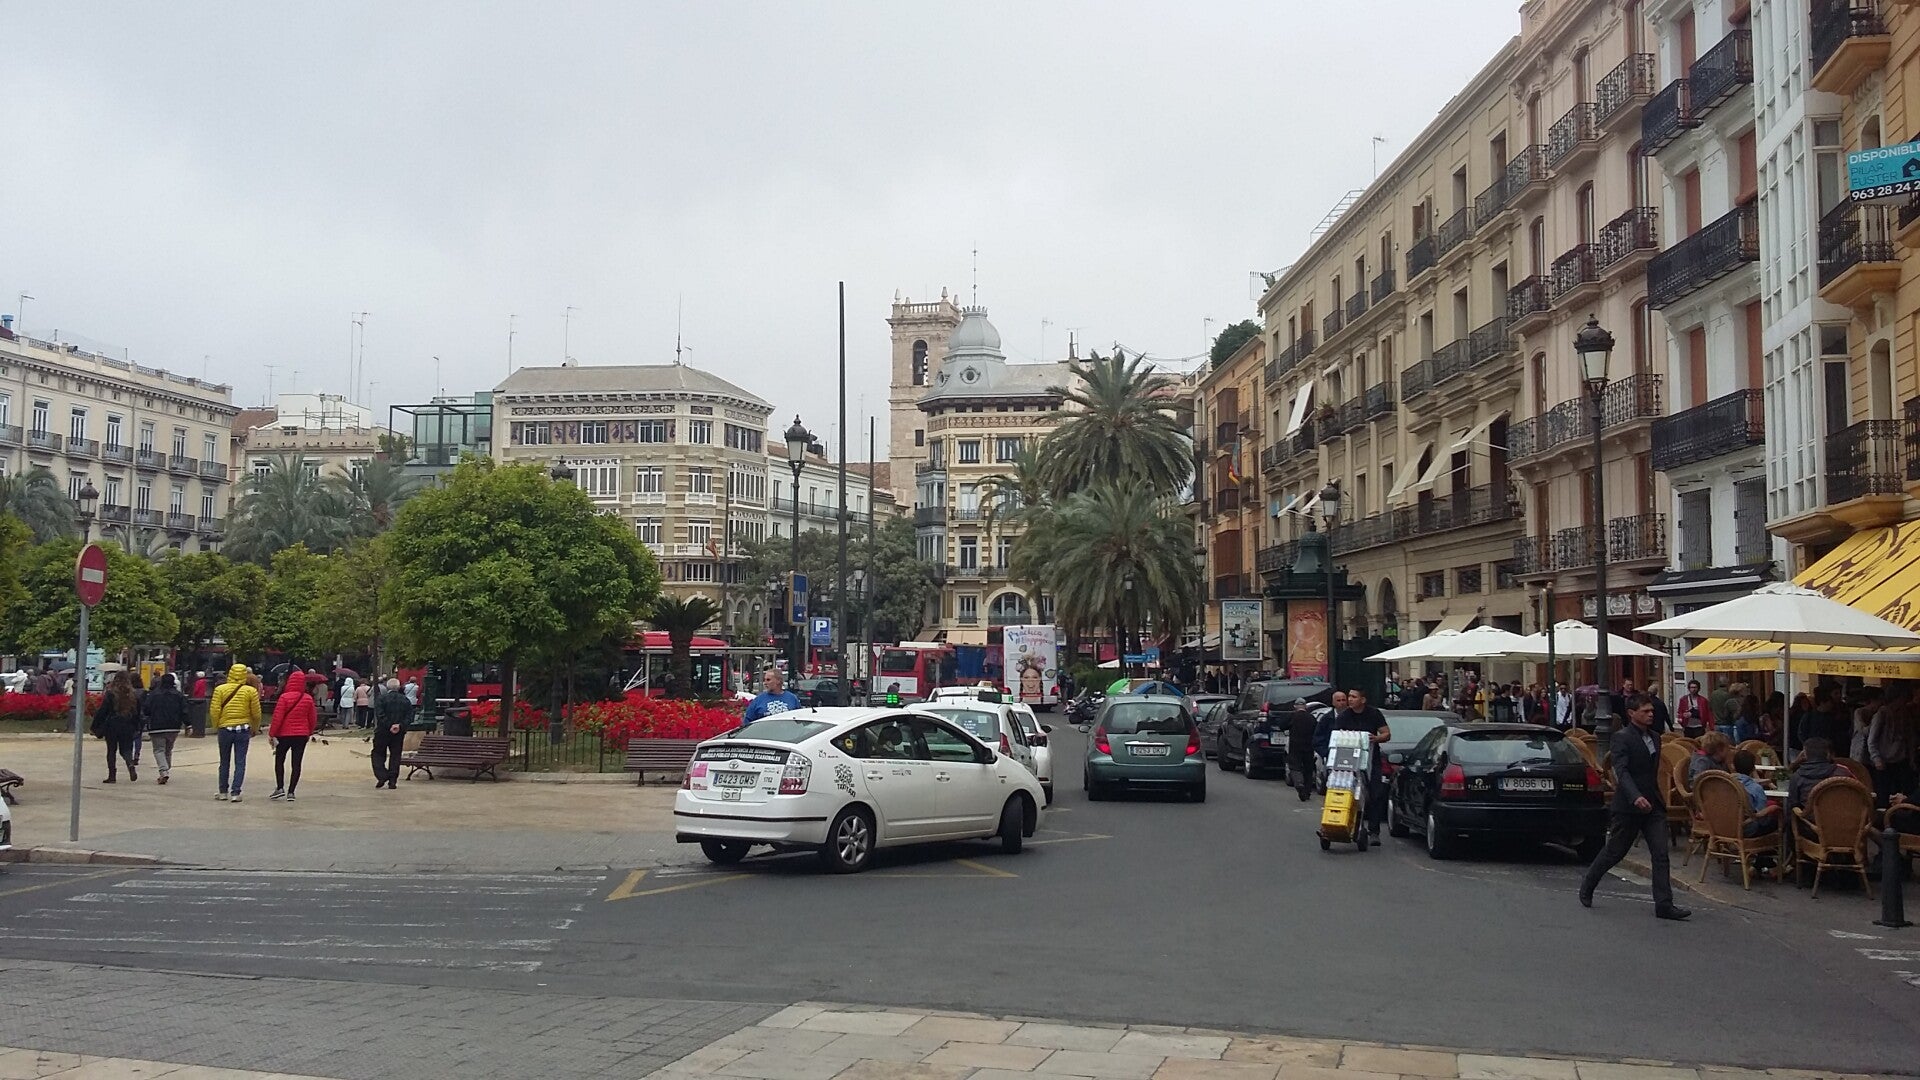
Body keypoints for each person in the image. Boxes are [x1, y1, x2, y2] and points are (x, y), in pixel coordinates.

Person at [1579, 694, 1690, 921]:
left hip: (1653, 805)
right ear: (1631, 713)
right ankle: (1588, 883)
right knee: (1615, 852)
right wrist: (1635, 796)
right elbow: (1621, 771)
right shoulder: (1621, 738)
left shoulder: (1655, 738)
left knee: (1660, 854)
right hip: (1629, 806)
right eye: (1645, 711)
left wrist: (1652, 796)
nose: (1651, 714)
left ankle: (1664, 904)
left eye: (1652, 711)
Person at [1332, 688, 1390, 835]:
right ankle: (1346, 825)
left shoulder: (1374, 714)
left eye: (1354, 697)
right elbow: (1336, 737)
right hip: (1349, 762)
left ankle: (1374, 831)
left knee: (1375, 794)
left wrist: (1376, 738)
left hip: (1371, 760)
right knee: (1348, 793)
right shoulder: (1344, 716)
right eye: (1349, 696)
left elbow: (1386, 733)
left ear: (1363, 700)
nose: (1350, 699)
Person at [209, 664, 262, 802]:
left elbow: (214, 710)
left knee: (224, 761)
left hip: (225, 729)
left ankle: (222, 792)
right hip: (243, 729)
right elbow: (256, 713)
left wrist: (216, 726)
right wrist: (255, 728)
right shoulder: (250, 691)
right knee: (240, 761)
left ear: (230, 673)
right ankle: (236, 792)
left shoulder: (220, 689)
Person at [268, 669, 317, 801]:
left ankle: (280, 787)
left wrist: (272, 733)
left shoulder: (284, 697)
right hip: (301, 734)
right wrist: (309, 731)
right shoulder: (308, 698)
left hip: (284, 734)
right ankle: (291, 792)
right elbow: (312, 718)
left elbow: (277, 717)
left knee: (280, 760)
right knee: (296, 763)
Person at [1787, 737, 1849, 838]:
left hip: (1811, 829)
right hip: (1843, 828)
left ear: (1804, 754)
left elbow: (1793, 804)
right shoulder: (1843, 773)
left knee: (1791, 816)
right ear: (1828, 754)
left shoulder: (1797, 777)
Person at [1869, 682, 1916, 805]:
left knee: (1903, 791)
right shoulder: (1882, 713)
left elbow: (1910, 737)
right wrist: (1876, 758)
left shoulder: (1905, 714)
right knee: (1884, 794)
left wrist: (1911, 757)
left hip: (1901, 759)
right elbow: (1872, 739)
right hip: (1884, 760)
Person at [91, 672, 142, 783]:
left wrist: (95, 725)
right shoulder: (133, 694)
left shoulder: (111, 694)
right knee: (126, 749)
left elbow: (103, 711)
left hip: (112, 725)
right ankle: (130, 764)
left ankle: (112, 775)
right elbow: (137, 713)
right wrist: (137, 726)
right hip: (128, 724)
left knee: (111, 750)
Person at [140, 672, 188, 785]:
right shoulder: (178, 695)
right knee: (168, 750)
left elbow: (146, 709)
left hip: (156, 726)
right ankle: (166, 768)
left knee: (159, 750)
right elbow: (184, 710)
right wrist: (188, 724)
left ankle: (163, 770)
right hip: (173, 727)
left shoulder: (153, 695)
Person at [1730, 750, 1781, 838]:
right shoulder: (1756, 788)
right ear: (1753, 768)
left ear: (1734, 766)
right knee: (1779, 817)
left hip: (1725, 826)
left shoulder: (1726, 784)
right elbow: (1762, 818)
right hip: (1747, 829)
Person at [372, 677, 410, 789]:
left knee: (378, 753)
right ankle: (393, 780)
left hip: (383, 730)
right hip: (399, 732)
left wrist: (389, 725)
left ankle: (382, 775)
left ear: (387, 687)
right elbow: (409, 716)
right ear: (399, 687)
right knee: (395, 755)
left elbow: (380, 715)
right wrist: (399, 725)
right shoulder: (405, 700)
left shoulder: (381, 699)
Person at [1286, 696, 1318, 802]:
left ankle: (1299, 783)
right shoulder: (1311, 718)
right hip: (1309, 747)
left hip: (1295, 747)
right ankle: (1307, 792)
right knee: (1308, 769)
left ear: (1295, 706)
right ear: (1305, 706)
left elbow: (1282, 725)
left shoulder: (1292, 716)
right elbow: (1316, 731)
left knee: (1295, 767)